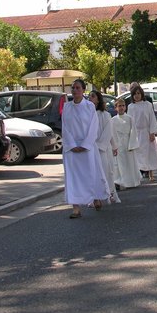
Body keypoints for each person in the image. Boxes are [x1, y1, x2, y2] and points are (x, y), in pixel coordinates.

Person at [61, 78, 110, 219]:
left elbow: (93, 126)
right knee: (73, 178)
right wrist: (71, 145)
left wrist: (85, 144)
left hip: (87, 147)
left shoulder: (89, 106)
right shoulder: (67, 107)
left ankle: (95, 197)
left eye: (77, 88)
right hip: (71, 149)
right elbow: (65, 128)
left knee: (91, 174)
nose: (75, 90)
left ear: (83, 90)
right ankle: (75, 208)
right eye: (73, 88)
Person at [89, 90, 121, 204]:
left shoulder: (105, 115)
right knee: (93, 173)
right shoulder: (87, 115)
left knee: (107, 171)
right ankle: (95, 197)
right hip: (91, 148)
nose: (90, 99)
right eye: (89, 97)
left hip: (103, 148)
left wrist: (113, 146)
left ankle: (109, 194)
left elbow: (109, 132)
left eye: (92, 96)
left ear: (98, 99)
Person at [127, 84, 157, 181]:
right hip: (136, 133)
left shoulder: (147, 105)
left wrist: (152, 132)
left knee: (149, 153)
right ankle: (138, 175)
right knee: (137, 155)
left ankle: (151, 174)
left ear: (142, 94)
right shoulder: (131, 107)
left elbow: (151, 119)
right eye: (135, 94)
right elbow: (129, 121)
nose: (137, 96)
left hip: (146, 132)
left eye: (138, 93)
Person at [112, 98, 142, 189]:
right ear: (116, 108)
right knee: (120, 164)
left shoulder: (129, 118)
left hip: (128, 143)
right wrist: (114, 146)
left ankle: (132, 181)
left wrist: (132, 144)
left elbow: (133, 132)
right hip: (119, 144)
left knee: (130, 163)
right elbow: (112, 134)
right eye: (119, 106)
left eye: (123, 106)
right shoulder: (113, 120)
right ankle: (121, 182)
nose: (121, 108)